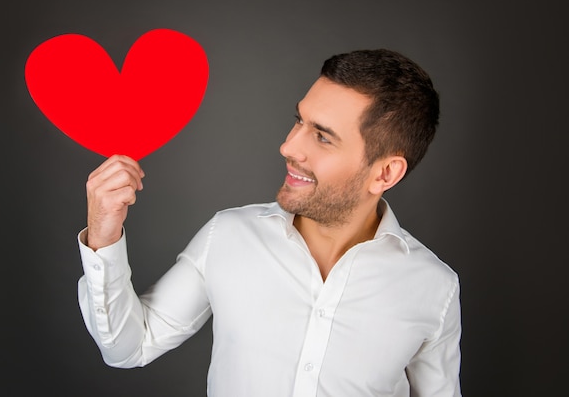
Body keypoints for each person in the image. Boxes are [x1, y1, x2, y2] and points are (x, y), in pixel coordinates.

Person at [77, 49, 461, 396]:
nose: (289, 147)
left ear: (385, 174)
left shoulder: (433, 288)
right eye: (300, 121)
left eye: (323, 138)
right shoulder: (228, 236)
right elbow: (130, 346)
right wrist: (103, 231)